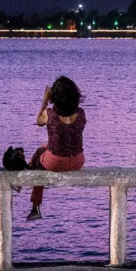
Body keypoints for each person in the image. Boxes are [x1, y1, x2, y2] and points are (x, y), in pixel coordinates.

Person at [26, 76, 86, 221]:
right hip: (77, 160)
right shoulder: (81, 113)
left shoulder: (50, 114)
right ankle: (29, 166)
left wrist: (45, 101)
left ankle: (35, 207)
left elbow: (39, 121)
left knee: (39, 159)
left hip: (56, 162)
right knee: (44, 147)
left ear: (55, 97)